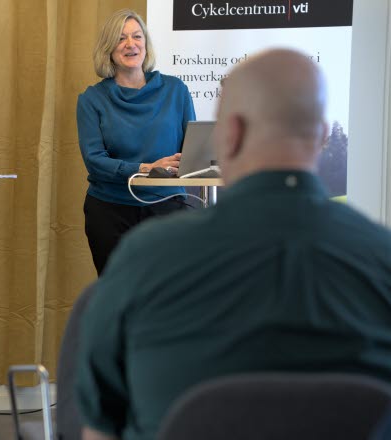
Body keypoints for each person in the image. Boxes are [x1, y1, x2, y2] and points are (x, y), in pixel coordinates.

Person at [76, 48, 391, 440]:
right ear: (325, 134)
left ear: (231, 132)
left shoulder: (143, 258)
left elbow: (99, 426)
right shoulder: (383, 258)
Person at [77, 9, 196, 275]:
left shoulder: (176, 91)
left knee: (171, 297)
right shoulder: (91, 100)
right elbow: (94, 161)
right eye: (121, 38)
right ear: (109, 48)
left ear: (145, 43)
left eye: (136, 36)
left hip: (168, 209)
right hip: (110, 212)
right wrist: (145, 168)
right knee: (119, 300)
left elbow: (193, 150)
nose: (131, 44)